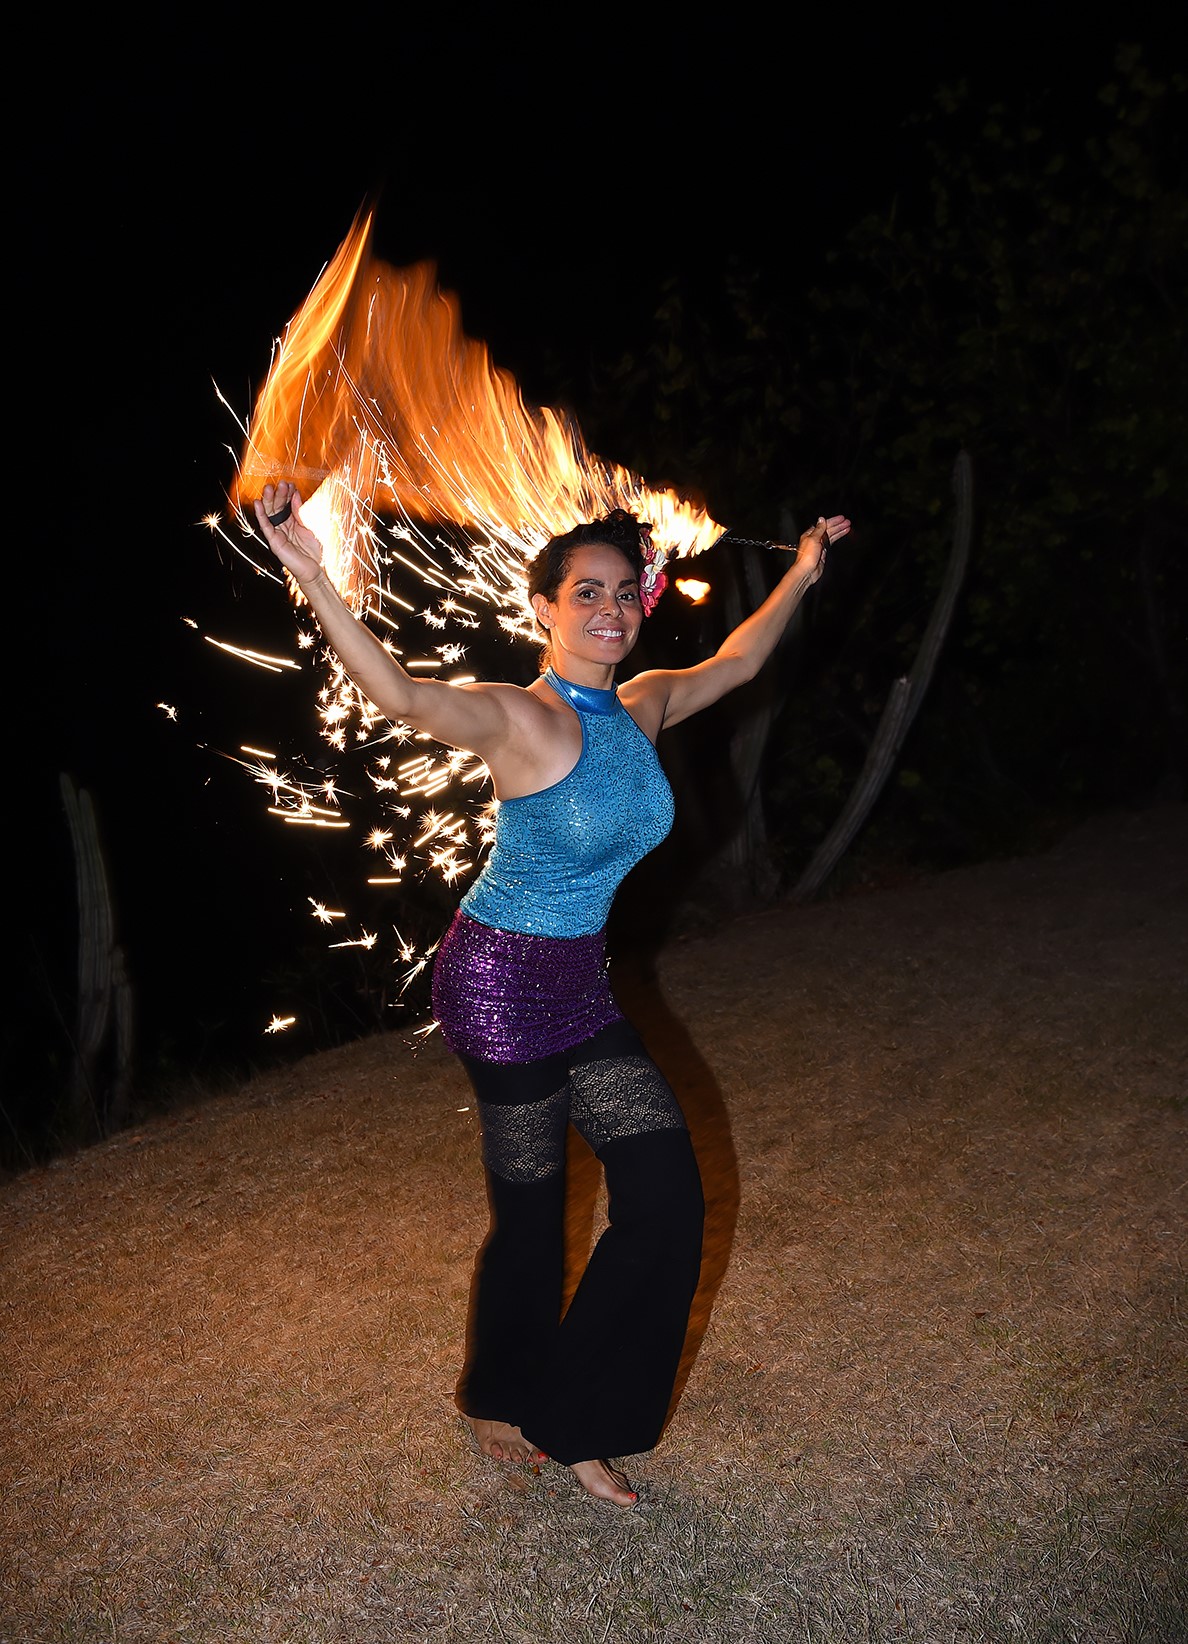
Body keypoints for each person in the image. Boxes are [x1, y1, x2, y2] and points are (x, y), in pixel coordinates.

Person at [254, 483, 851, 1507]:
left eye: (624, 592)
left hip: (579, 986)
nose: (610, 610)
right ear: (544, 608)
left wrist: (800, 572)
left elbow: (739, 662)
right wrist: (314, 577)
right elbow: (401, 696)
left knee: (666, 1198)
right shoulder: (515, 715)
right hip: (495, 983)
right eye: (586, 593)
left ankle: (573, 1416)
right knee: (532, 1210)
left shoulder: (646, 702)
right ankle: (499, 1394)